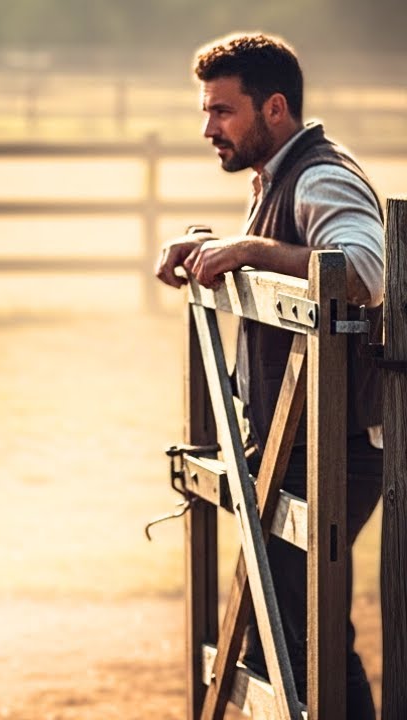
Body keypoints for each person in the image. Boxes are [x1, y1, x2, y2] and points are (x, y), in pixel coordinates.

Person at [154, 33, 383, 718]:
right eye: (206, 112)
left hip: (333, 447)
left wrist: (250, 247)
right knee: (286, 633)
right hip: (302, 441)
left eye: (222, 111)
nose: (207, 128)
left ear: (274, 107)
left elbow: (365, 272)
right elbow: (297, 253)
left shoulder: (319, 176)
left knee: (299, 639)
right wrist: (215, 244)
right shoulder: (281, 177)